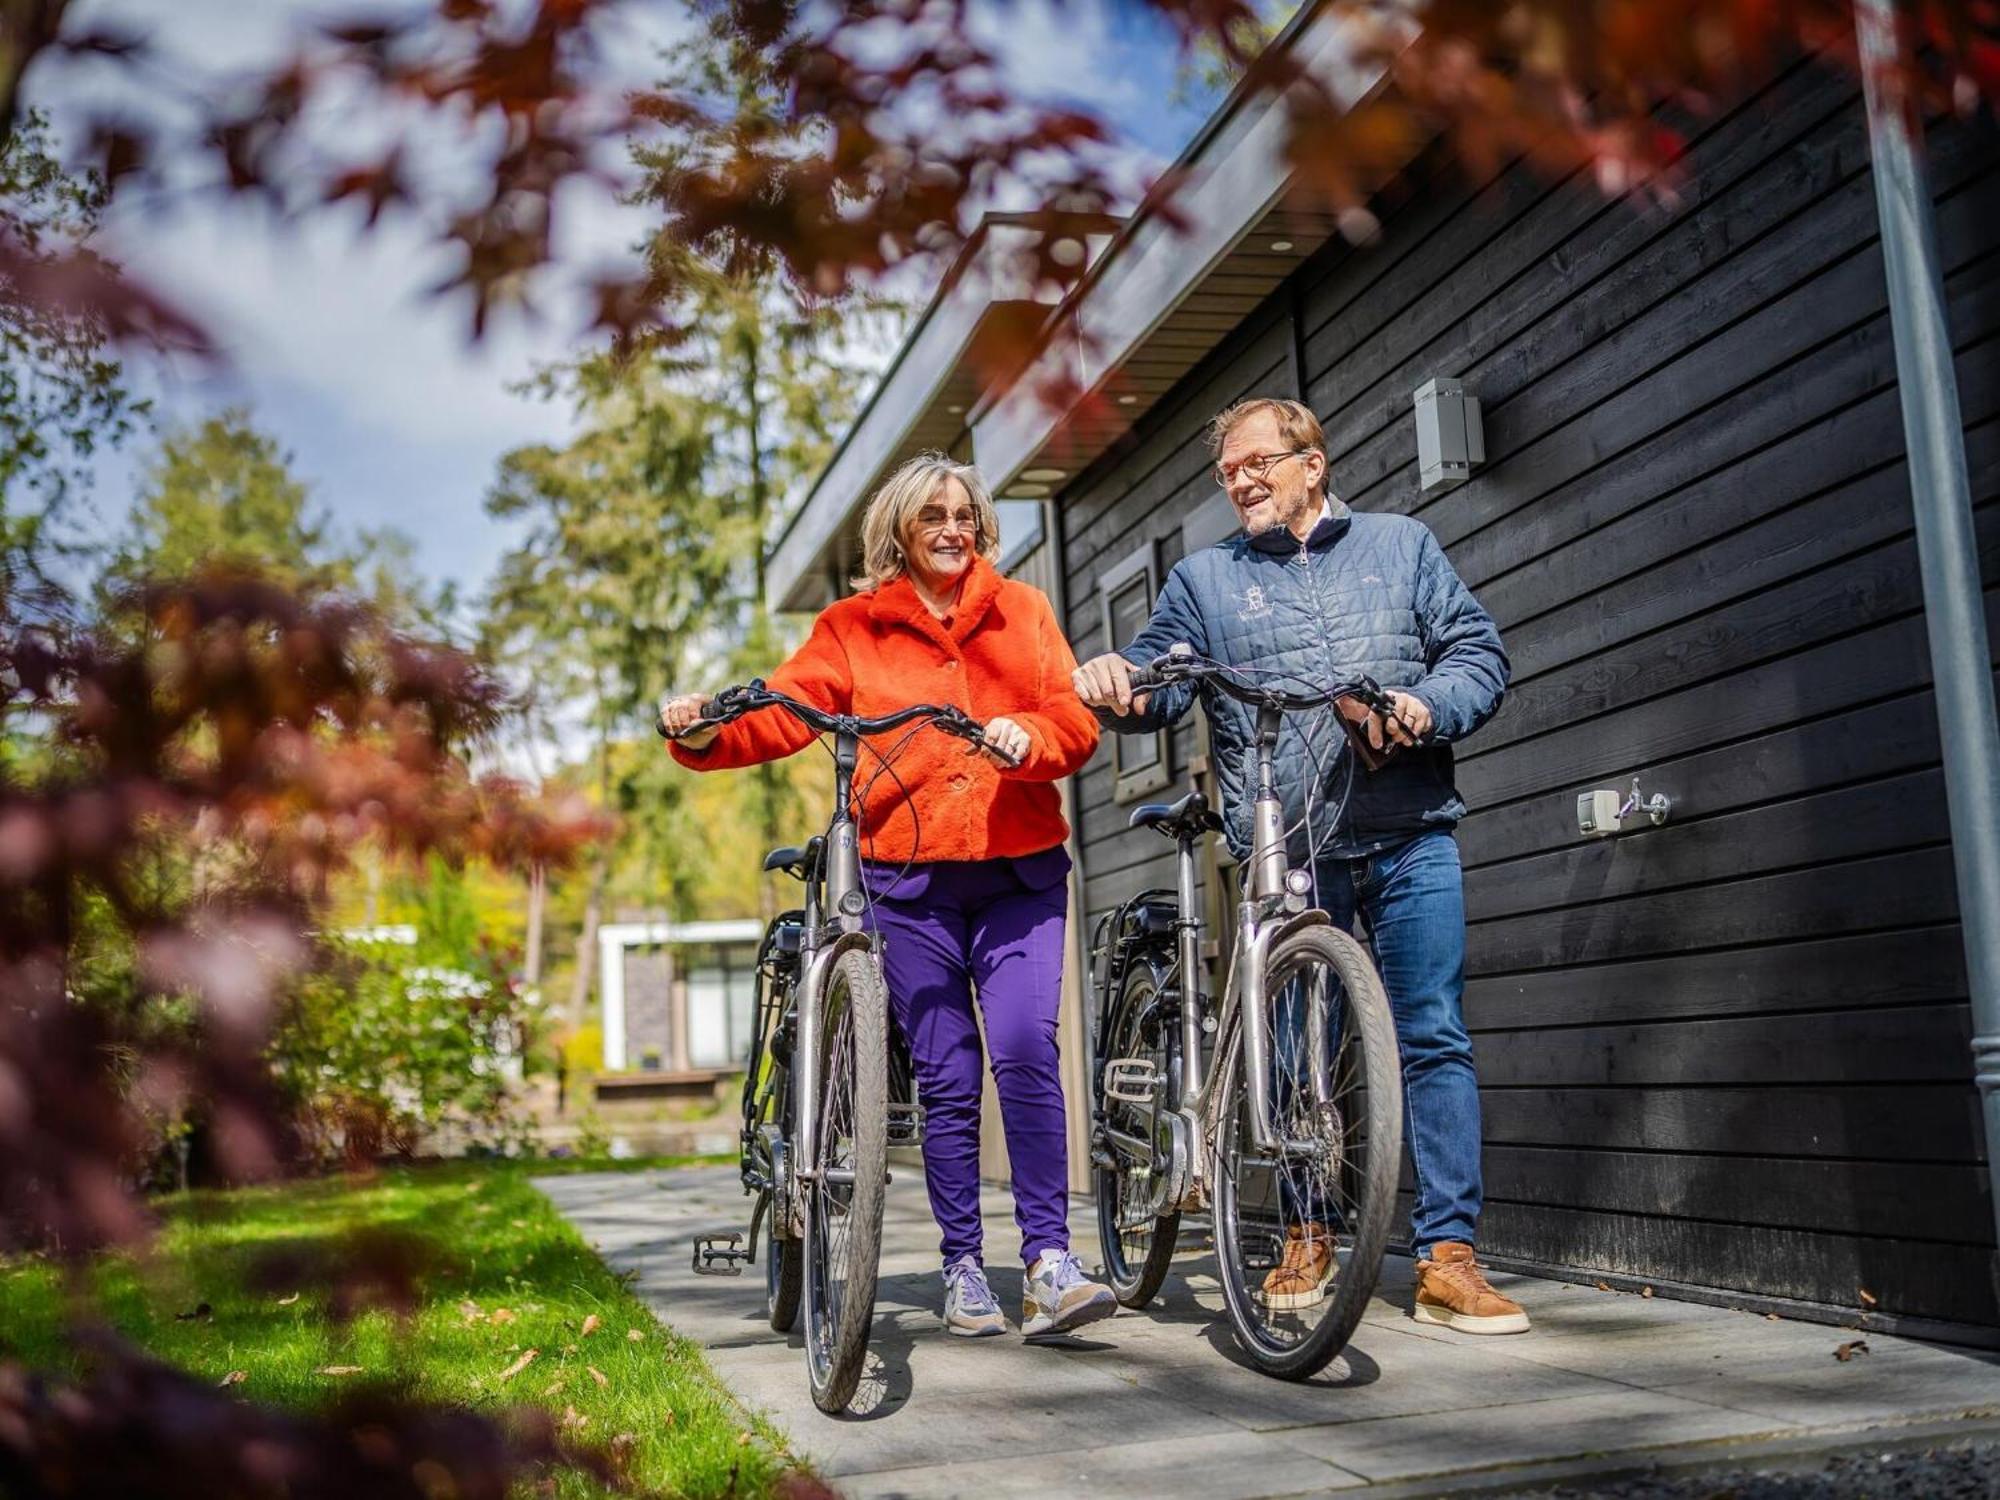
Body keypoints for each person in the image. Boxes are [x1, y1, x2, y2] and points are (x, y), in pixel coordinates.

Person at [1072, 397, 1528, 1336]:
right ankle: (1305, 1236)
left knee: (1433, 1035)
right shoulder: (1205, 581)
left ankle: (1448, 1259)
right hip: (1287, 855)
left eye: (1256, 463)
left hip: (1409, 832)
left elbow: (1479, 655)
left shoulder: (1403, 547)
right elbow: (1160, 681)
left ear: (1311, 464)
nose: (1239, 480)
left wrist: (1422, 705)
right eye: (1227, 471)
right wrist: (1120, 682)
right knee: (1292, 1050)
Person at [660, 452, 1115, 1340]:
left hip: (1019, 869)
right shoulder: (853, 628)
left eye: (965, 514)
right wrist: (708, 727)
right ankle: (961, 1269)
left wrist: (1033, 734)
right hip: (908, 882)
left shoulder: (1023, 613)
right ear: (898, 532)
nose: (953, 529)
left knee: (1025, 1051)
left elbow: (1075, 718)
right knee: (946, 1074)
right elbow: (788, 710)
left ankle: (1049, 1263)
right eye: (932, 516)